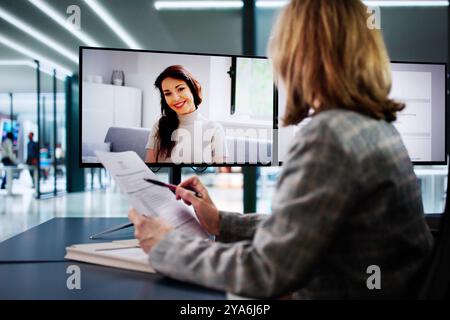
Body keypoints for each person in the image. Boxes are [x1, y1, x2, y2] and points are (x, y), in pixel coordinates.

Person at [129, 0, 434, 299]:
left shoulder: (330, 136)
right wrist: (220, 221)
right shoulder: (375, 126)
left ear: (300, 54)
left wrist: (166, 246)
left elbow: (266, 272)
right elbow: (300, 229)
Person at [145, 65, 227, 164]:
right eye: (168, 93)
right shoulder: (159, 126)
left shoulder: (214, 129)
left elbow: (218, 173)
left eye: (180, 89)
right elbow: (149, 167)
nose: (175, 98)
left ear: (193, 89)